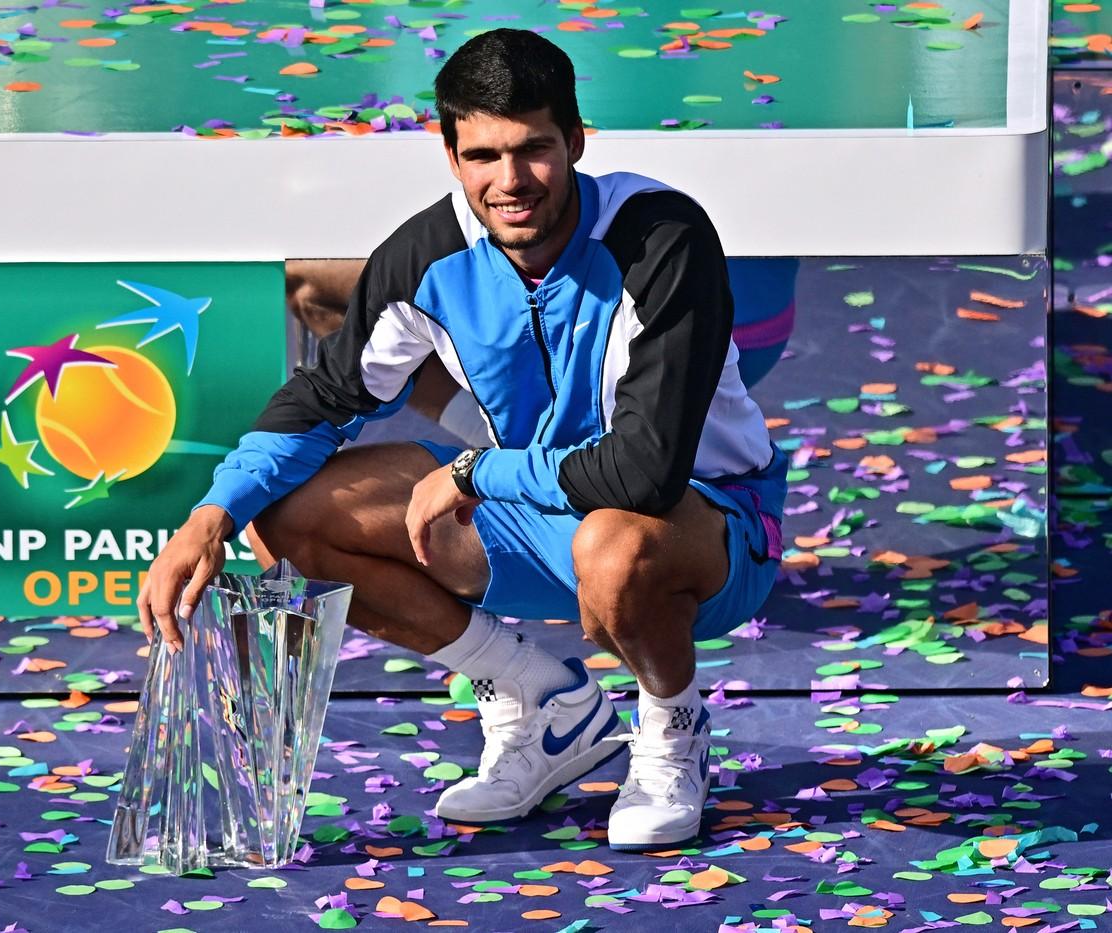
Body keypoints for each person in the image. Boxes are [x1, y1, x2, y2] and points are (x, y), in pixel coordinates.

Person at [137, 28, 787, 851]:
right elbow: (325, 398)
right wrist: (211, 515)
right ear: (449, 154)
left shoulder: (661, 237)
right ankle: (540, 698)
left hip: (705, 529)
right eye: (482, 154)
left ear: (578, 141)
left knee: (616, 545)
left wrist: (479, 468)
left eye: (534, 150)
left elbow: (645, 472)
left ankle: (670, 725)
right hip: (543, 514)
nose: (510, 181)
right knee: (290, 518)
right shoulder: (426, 255)